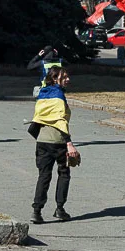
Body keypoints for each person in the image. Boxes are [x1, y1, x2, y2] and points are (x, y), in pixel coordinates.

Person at [28, 66, 79, 223]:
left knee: (44, 175)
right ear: (55, 78)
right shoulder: (58, 96)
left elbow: (38, 117)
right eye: (64, 76)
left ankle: (36, 212)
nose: (68, 79)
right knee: (64, 174)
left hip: (42, 140)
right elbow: (60, 121)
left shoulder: (43, 94)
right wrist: (69, 144)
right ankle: (60, 209)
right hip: (58, 141)